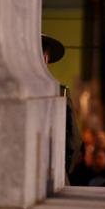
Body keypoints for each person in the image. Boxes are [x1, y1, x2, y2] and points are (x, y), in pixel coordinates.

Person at [41, 34, 83, 180]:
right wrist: (63, 168)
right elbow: (74, 140)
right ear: (46, 58)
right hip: (52, 173)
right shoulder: (60, 92)